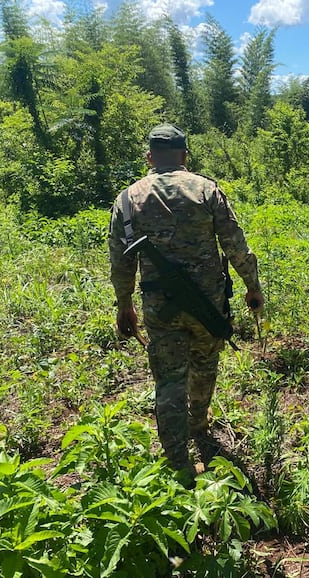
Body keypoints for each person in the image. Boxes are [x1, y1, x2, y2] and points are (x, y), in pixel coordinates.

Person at [108, 123, 264, 482]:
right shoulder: (206, 189)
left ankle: (178, 460)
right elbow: (235, 244)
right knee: (205, 364)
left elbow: (121, 260)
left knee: (168, 379)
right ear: (185, 156)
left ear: (149, 157)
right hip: (207, 306)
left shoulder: (127, 199)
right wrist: (252, 286)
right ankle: (199, 424)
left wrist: (124, 305)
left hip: (160, 309)